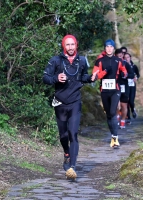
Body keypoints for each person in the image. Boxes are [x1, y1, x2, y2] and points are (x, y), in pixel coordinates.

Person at [43, 34, 98, 180]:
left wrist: (91, 78)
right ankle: (66, 152)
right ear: (63, 46)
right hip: (60, 102)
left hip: (75, 102)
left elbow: (83, 77)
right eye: (67, 45)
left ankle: (72, 167)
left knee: (73, 134)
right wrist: (56, 78)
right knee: (63, 136)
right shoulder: (55, 61)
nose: (70, 47)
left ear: (76, 45)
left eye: (72, 44)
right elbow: (45, 78)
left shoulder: (82, 60)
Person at [93, 39, 128, 148]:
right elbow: (96, 76)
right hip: (104, 91)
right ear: (105, 48)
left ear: (113, 48)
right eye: (107, 46)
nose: (109, 48)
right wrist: (105, 71)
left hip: (115, 90)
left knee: (113, 111)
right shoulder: (99, 61)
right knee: (108, 114)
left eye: (111, 47)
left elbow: (125, 71)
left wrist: (124, 74)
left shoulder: (118, 60)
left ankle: (115, 137)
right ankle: (113, 136)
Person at [115, 48, 135, 129]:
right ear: (115, 55)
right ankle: (117, 118)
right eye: (118, 55)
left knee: (124, 105)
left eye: (121, 55)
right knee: (116, 105)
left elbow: (132, 75)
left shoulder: (126, 64)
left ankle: (122, 121)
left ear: (123, 55)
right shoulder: (113, 63)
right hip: (115, 86)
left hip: (124, 86)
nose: (120, 56)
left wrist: (126, 75)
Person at [125, 52, 140, 121]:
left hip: (132, 85)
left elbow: (138, 75)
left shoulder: (134, 66)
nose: (126, 59)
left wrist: (136, 78)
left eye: (128, 57)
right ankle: (128, 116)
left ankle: (133, 110)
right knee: (126, 101)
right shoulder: (123, 66)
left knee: (131, 100)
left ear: (130, 58)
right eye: (125, 58)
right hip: (125, 85)